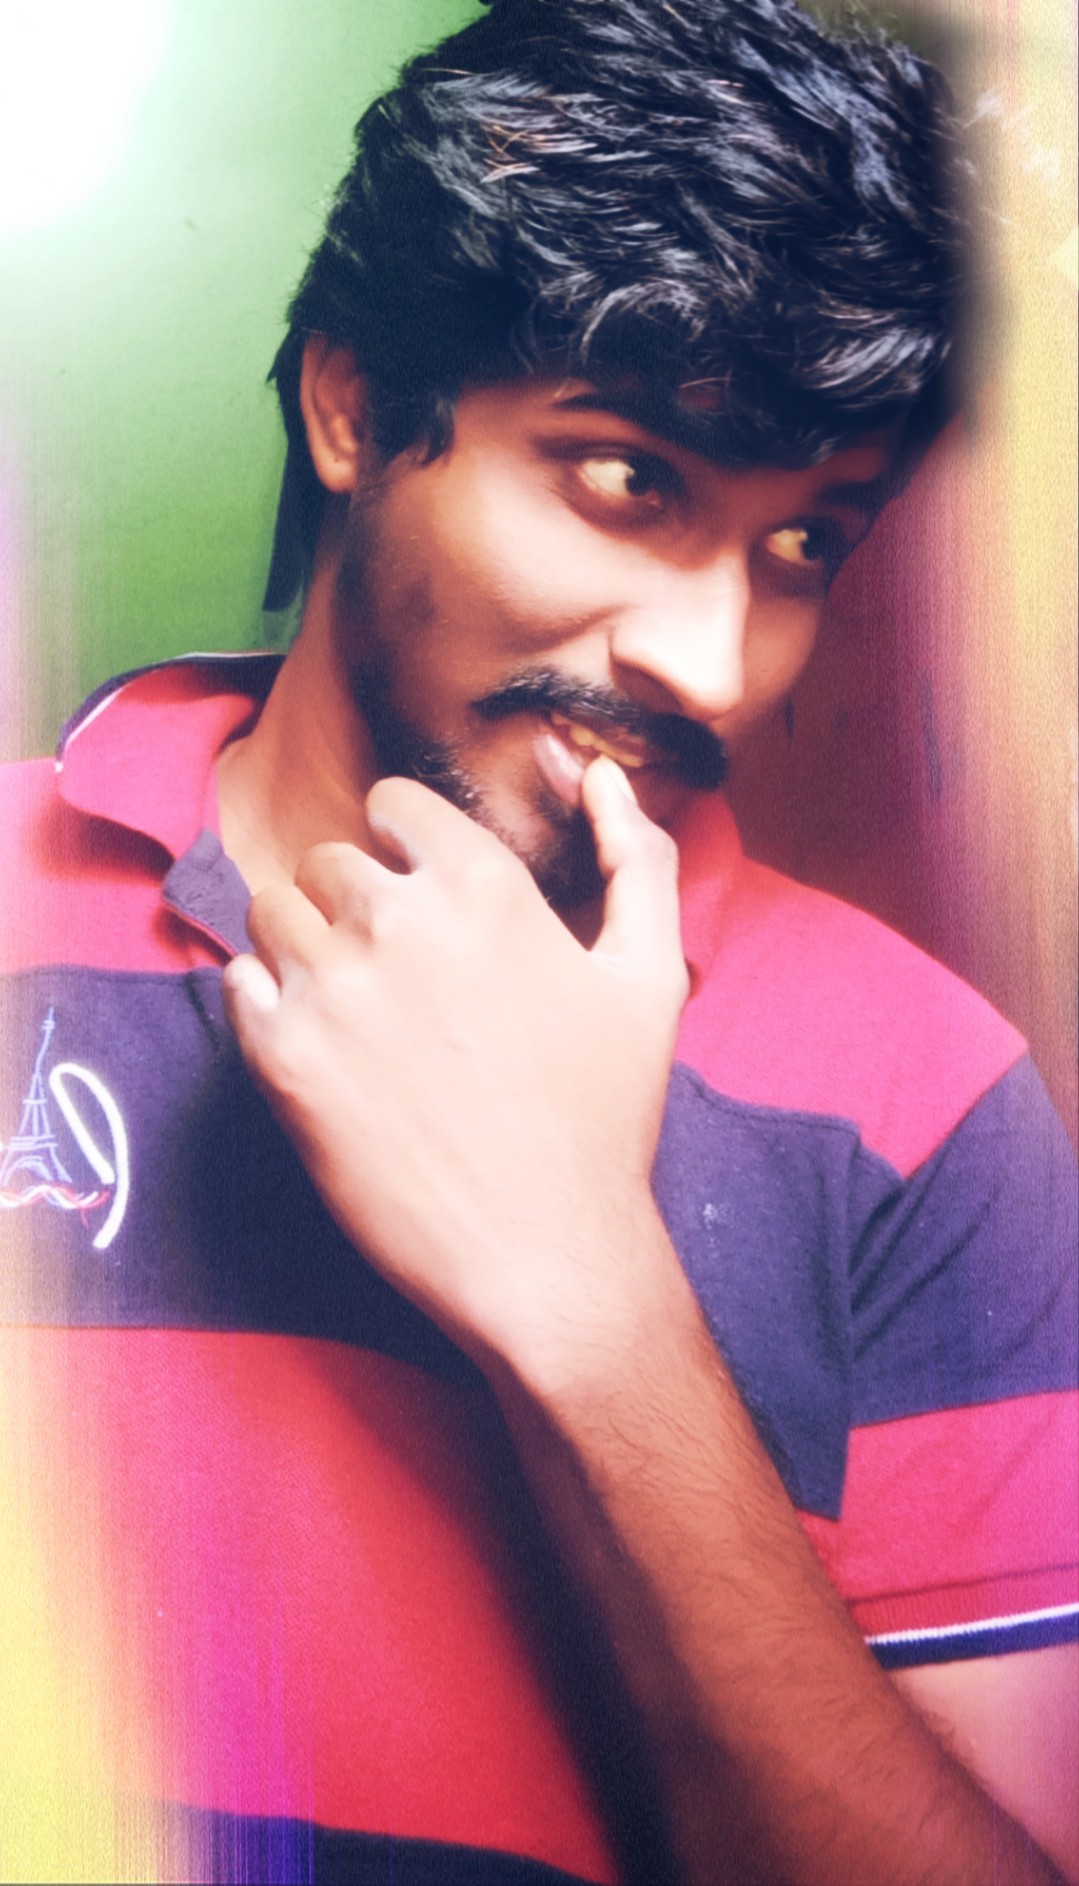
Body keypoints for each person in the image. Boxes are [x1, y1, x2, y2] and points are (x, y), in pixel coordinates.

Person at [0, 0, 1075, 1881]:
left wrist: (592, 1298)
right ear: (354, 407)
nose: (713, 662)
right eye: (631, 479)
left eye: (804, 545)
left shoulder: (932, 1098)